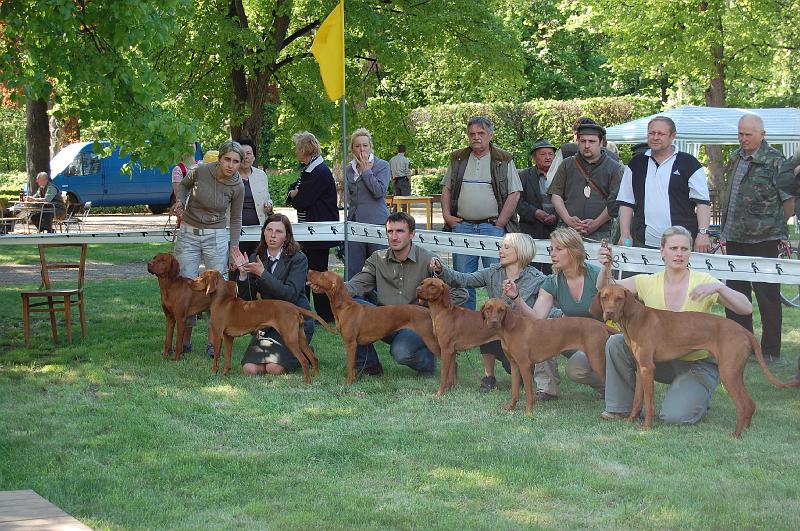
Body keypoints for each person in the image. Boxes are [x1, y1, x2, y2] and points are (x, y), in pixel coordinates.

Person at [598, 226, 752, 423]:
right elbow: (607, 290)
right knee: (617, 342)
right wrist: (605, 266)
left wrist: (719, 287)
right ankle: (620, 408)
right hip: (662, 360)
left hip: (697, 363)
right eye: (673, 248)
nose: (679, 254)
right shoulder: (647, 281)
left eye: (684, 249)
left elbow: (745, 308)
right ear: (662, 251)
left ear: (690, 252)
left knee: (675, 416)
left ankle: (696, 395)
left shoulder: (704, 281)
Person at [431, 233, 561, 397]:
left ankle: (542, 385)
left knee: (516, 367)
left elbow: (550, 312)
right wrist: (442, 269)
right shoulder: (492, 272)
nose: (501, 251)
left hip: (522, 336)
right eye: (501, 247)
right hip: (498, 329)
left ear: (521, 251)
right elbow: (463, 280)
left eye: (506, 247)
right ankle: (489, 376)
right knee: (486, 322)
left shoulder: (538, 279)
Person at [345, 212, 468, 376]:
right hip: (384, 321)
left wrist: (432, 313)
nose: (394, 237)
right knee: (351, 305)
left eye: (400, 231)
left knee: (401, 352)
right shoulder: (377, 258)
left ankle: (428, 363)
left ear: (412, 233)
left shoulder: (429, 260)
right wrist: (334, 287)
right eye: (390, 231)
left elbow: (460, 293)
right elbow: (357, 284)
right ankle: (369, 366)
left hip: (416, 323)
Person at [719, 114, 794, 364]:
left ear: (762, 134)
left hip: (765, 240)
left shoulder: (776, 162)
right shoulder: (736, 158)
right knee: (735, 294)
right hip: (734, 238)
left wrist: (772, 227)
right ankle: (742, 345)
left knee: (767, 296)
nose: (743, 139)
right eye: (740, 134)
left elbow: (789, 202)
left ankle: (771, 350)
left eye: (748, 134)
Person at [502, 227, 610, 397]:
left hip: (604, 337)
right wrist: (517, 297)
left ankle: (618, 389)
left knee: (579, 367)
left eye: (559, 249)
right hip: (574, 337)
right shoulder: (552, 282)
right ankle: (548, 390)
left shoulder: (597, 274)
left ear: (574, 250)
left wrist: (606, 270)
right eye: (551, 249)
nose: (553, 254)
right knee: (542, 336)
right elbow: (537, 318)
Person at [441, 115, 523, 309]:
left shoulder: (503, 159)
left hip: (492, 228)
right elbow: (447, 189)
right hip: (462, 227)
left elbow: (514, 193)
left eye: (481, 133)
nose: (476, 137)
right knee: (462, 279)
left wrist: (501, 222)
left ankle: (497, 328)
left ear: (490, 135)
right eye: (472, 134)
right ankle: (466, 329)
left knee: (497, 279)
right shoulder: (458, 158)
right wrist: (447, 216)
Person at [173, 140, 245, 356]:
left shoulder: (238, 185)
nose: (231, 165)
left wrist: (234, 248)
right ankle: (185, 340)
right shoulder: (200, 172)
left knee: (217, 287)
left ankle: (213, 342)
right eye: (227, 159)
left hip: (216, 235)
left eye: (236, 161)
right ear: (220, 159)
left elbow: (236, 218)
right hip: (189, 230)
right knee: (186, 284)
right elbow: (183, 186)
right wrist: (180, 201)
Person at [229, 214, 314, 375]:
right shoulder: (256, 257)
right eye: (269, 230)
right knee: (250, 369)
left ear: (287, 236)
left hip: (293, 321)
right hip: (267, 323)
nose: (273, 235)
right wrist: (242, 274)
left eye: (279, 231)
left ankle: (304, 351)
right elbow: (248, 301)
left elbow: (290, 294)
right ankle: (293, 353)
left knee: (274, 368)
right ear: (263, 232)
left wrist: (263, 274)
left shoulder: (298, 259)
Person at [617, 116, 712, 250]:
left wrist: (703, 234)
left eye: (661, 133)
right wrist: (625, 234)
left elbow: (702, 202)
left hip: (681, 244)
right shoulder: (636, 164)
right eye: (651, 133)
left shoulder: (689, 163)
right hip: (644, 242)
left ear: (673, 136)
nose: (655, 137)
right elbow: (626, 202)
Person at [286, 131, 339, 322]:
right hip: (311, 232)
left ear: (304, 149)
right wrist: (293, 193)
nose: (295, 152)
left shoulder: (318, 171)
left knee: (318, 274)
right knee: (308, 272)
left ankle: (325, 314)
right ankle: (309, 311)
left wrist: (294, 196)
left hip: (318, 233)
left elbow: (303, 200)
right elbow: (295, 188)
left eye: (297, 148)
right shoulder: (309, 169)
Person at [547, 123, 623, 241]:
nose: (586, 145)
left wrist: (596, 223)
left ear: (601, 143)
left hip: (601, 232)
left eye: (592, 141)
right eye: (583, 141)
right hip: (567, 230)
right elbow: (555, 194)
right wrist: (568, 219)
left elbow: (615, 202)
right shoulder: (567, 164)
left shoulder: (614, 168)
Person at [344, 128, 390, 279]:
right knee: (353, 270)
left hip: (376, 222)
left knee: (380, 269)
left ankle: (382, 302)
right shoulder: (348, 169)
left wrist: (366, 172)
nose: (361, 149)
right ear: (352, 148)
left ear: (370, 146)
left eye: (365, 145)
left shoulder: (382, 165)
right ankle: (355, 301)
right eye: (357, 146)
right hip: (354, 224)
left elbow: (379, 192)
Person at [517, 138, 558, 274]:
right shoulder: (523, 176)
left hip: (556, 231)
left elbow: (570, 201)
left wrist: (556, 216)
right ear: (534, 157)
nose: (548, 158)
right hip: (531, 231)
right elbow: (517, 202)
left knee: (553, 272)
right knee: (529, 272)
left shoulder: (562, 175)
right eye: (543, 154)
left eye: (550, 154)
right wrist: (535, 212)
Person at [236, 138, 273, 257]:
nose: (245, 157)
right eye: (242, 154)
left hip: (259, 230)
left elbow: (267, 198)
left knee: (258, 264)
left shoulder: (261, 175)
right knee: (237, 265)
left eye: (249, 153)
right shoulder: (229, 176)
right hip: (235, 231)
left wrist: (269, 205)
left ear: (254, 157)